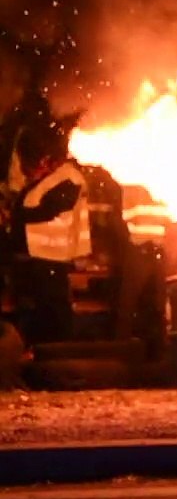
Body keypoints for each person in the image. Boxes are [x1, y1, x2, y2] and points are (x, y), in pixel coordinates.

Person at [10, 123, 90, 344]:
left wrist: (17, 216)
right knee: (36, 312)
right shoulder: (44, 180)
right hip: (35, 262)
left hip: (52, 261)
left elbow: (50, 208)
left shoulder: (69, 178)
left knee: (54, 312)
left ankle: (59, 354)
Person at [114, 183, 168, 355]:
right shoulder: (134, 178)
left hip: (160, 248)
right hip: (141, 247)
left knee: (161, 301)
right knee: (129, 301)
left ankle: (161, 346)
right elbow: (125, 216)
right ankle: (122, 348)